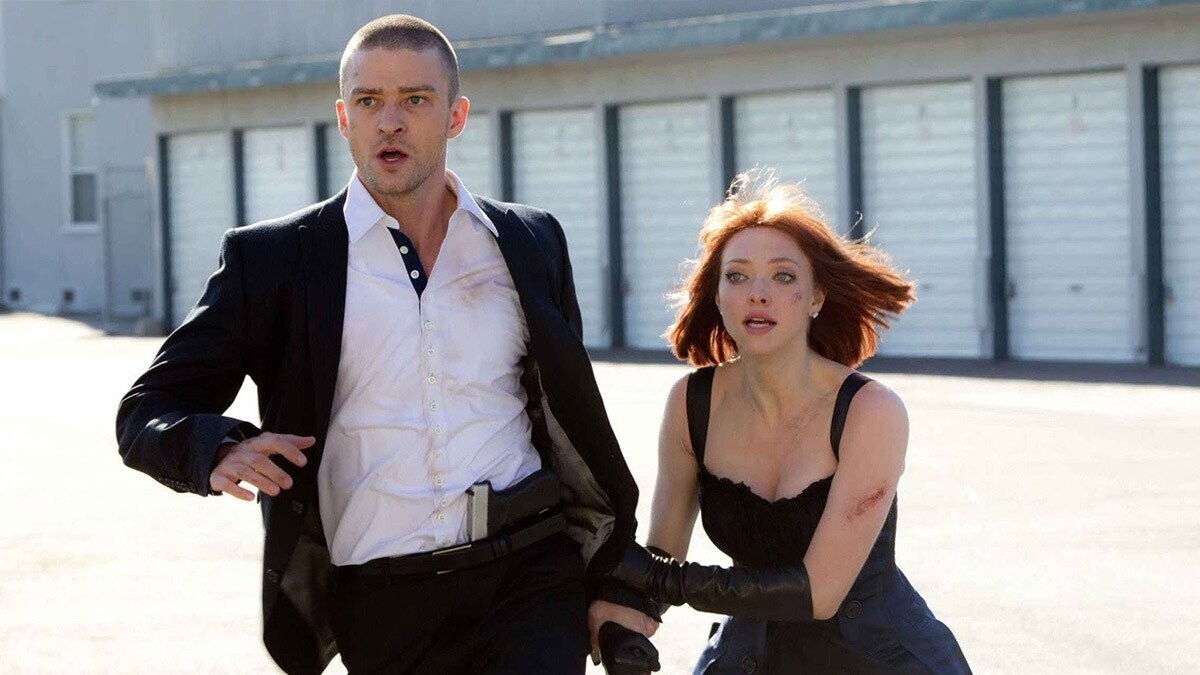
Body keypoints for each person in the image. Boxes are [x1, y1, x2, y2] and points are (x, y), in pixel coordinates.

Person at [116, 14, 657, 674]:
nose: (390, 122)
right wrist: (218, 447)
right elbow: (146, 411)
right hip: (383, 600)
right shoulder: (275, 260)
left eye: (415, 100)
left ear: (455, 116)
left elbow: (569, 423)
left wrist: (608, 571)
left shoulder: (530, 240)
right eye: (369, 101)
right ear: (344, 118)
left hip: (529, 577)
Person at [612, 171, 972, 673]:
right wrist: (621, 616)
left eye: (783, 276)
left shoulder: (870, 410)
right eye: (737, 276)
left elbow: (819, 594)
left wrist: (661, 580)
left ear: (816, 297)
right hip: (747, 657)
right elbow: (660, 554)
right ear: (717, 295)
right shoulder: (691, 403)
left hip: (879, 661)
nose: (758, 294)